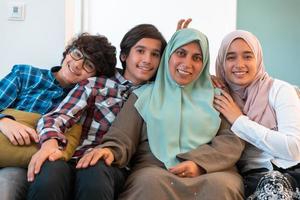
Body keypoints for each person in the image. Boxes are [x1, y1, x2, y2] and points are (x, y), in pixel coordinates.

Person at [77, 28, 245, 200]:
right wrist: (110, 150)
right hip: (156, 170)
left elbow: (231, 140)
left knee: (221, 187)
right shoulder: (143, 95)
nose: (187, 64)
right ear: (168, 56)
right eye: (181, 53)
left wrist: (200, 164)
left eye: (197, 58)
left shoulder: (218, 96)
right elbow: (123, 135)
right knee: (148, 183)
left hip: (212, 169)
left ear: (204, 64)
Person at [27, 24, 167, 200]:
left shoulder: (158, 93)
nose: (147, 59)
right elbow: (58, 117)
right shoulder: (96, 84)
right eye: (140, 51)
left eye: (155, 54)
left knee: (94, 173)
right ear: (124, 56)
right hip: (74, 155)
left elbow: (187, 76)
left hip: (111, 165)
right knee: (50, 171)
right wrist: (50, 144)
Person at [0, 33, 116, 200]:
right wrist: (4, 121)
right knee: (7, 183)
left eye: (88, 65)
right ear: (67, 52)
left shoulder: (85, 101)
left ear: (95, 77)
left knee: (13, 182)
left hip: (43, 165)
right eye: (76, 54)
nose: (77, 65)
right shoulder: (26, 75)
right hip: (9, 155)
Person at [213, 30, 300, 199]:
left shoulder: (280, 90)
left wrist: (239, 120)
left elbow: (294, 148)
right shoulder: (218, 96)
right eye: (231, 57)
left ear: (258, 59)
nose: (239, 64)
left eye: (247, 56)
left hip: (294, 169)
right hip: (254, 177)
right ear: (221, 62)